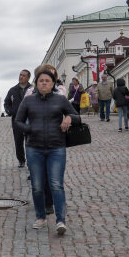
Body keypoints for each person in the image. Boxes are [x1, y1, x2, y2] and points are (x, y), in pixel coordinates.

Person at [15, 67, 80, 235]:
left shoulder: (60, 100)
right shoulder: (28, 101)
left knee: (56, 184)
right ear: (36, 83)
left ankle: (60, 220)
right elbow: (18, 121)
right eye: (41, 81)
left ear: (53, 84)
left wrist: (68, 117)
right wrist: (30, 129)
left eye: (47, 81)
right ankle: (41, 216)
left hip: (56, 148)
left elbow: (77, 116)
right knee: (37, 186)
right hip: (34, 148)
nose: (44, 83)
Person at [3, 69, 32, 167]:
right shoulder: (12, 90)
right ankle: (21, 160)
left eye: (24, 75)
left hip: (30, 119)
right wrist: (10, 111)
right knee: (18, 141)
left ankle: (31, 160)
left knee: (30, 141)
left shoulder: (32, 89)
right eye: (20, 75)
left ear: (28, 78)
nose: (21, 77)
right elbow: (6, 102)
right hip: (16, 119)